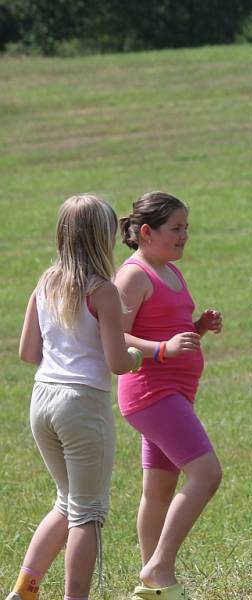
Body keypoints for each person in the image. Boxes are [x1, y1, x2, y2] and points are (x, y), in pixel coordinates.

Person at [10, 195, 141, 600]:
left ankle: (25, 590)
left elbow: (28, 353)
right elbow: (118, 362)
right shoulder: (102, 291)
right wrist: (138, 357)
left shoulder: (45, 283)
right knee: (88, 514)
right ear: (102, 239)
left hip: (42, 401)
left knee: (66, 502)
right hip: (82, 406)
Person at [115, 191, 223, 600]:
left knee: (159, 489)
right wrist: (162, 350)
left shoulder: (171, 271)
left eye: (186, 228)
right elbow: (115, 335)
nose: (184, 236)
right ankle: (157, 567)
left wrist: (198, 327)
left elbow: (169, 330)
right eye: (176, 228)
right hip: (150, 392)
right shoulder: (134, 274)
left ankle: (154, 581)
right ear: (146, 232)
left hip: (175, 391)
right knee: (207, 474)